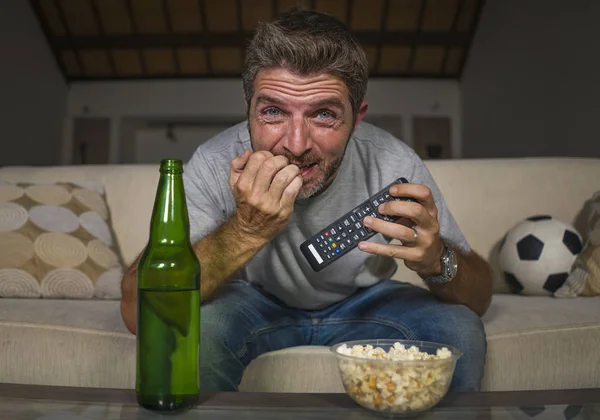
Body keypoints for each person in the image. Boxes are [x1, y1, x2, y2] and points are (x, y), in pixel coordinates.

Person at [120, 8, 493, 393]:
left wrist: (438, 262)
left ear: (357, 118)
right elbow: (137, 310)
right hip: (254, 302)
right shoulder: (215, 162)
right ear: (248, 110)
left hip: (366, 302)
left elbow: (479, 297)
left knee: (458, 329)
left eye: (324, 115)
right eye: (273, 112)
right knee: (198, 333)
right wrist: (246, 231)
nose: (295, 145)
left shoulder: (395, 162)